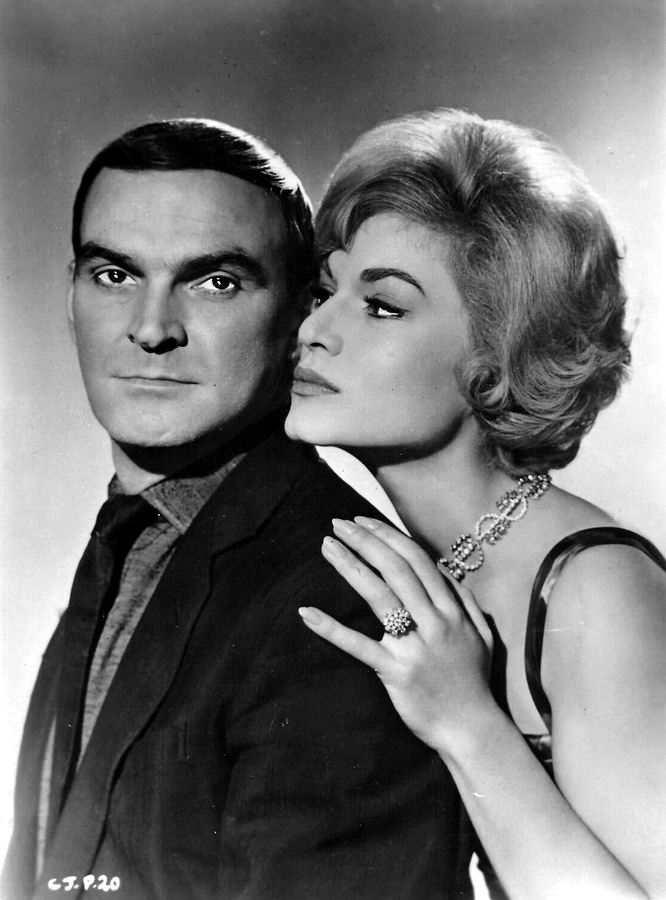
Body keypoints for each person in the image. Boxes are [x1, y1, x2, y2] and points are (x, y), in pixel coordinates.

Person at [3, 119, 477, 900]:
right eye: (114, 274)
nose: (151, 329)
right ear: (71, 294)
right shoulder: (130, 538)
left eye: (215, 282)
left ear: (300, 316)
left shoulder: (341, 602)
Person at [285, 108, 666, 899]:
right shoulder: (415, 557)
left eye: (382, 305)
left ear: (496, 357)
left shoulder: (595, 589)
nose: (315, 329)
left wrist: (465, 720)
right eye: (326, 290)